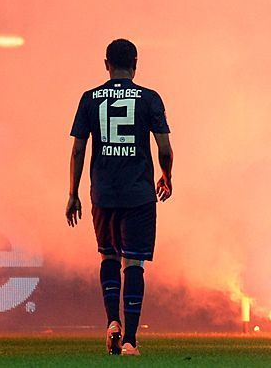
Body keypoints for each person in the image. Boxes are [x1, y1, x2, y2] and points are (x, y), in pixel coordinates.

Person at [67, 39, 174, 357]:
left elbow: (78, 149)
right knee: (135, 263)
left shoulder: (89, 98)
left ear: (106, 64)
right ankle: (129, 341)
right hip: (138, 194)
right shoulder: (150, 98)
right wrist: (167, 177)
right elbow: (164, 149)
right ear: (136, 64)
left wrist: (73, 193)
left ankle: (112, 321)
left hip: (103, 192)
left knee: (108, 258)